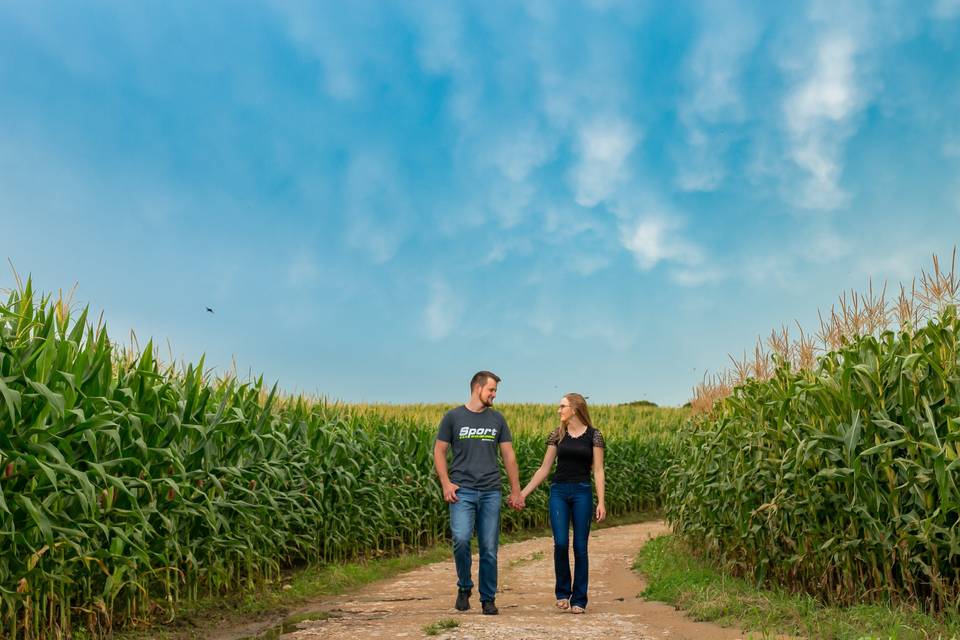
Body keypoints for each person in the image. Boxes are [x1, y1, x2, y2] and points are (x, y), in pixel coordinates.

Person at [434, 371, 524, 616]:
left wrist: (516, 490)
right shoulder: (453, 417)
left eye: (495, 391)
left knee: (489, 547)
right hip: (462, 491)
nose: (494, 395)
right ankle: (464, 586)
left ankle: (488, 598)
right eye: (491, 390)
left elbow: (509, 455)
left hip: (490, 491)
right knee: (461, 540)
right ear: (477, 388)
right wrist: (446, 483)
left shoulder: (497, 419)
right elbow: (439, 451)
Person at [520, 392, 606, 614]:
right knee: (560, 543)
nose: (559, 410)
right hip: (559, 491)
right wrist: (523, 493)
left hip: (582, 492)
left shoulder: (594, 436)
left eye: (562, 406)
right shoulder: (556, 435)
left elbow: (598, 470)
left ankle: (579, 598)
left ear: (575, 409)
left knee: (580, 546)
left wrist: (601, 501)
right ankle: (562, 592)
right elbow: (544, 469)